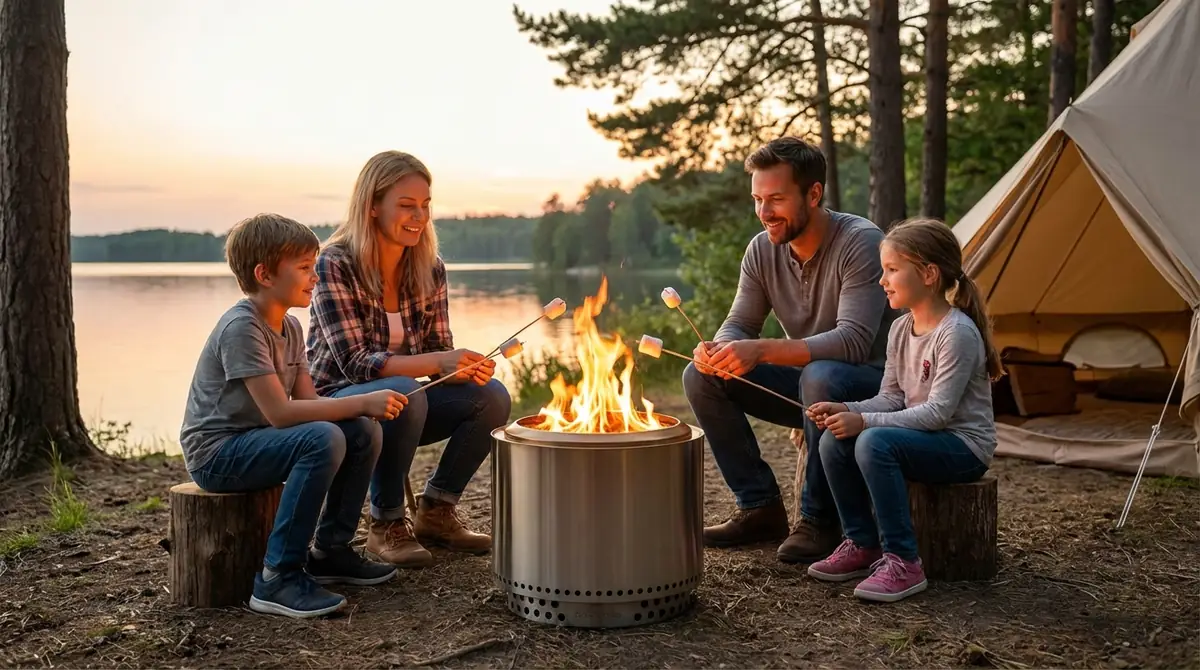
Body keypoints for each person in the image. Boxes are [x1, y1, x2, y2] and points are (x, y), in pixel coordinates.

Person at [180, 213, 407, 619]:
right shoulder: (241, 328)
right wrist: (361, 399)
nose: (315, 277)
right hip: (217, 456)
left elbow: (310, 401)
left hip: (257, 440)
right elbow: (283, 413)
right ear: (265, 274)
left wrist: (362, 412)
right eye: (304, 268)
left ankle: (331, 550)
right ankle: (277, 576)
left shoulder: (291, 328)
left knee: (359, 431)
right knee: (325, 437)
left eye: (314, 266)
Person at [683, 136, 898, 564]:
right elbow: (740, 323)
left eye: (776, 199)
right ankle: (759, 506)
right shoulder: (762, 250)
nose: (764, 213)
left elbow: (853, 341)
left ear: (813, 194)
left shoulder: (860, 242)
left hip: (871, 389)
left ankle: (819, 520)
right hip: (808, 388)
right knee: (701, 376)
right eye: (758, 199)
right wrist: (720, 349)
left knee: (822, 375)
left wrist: (761, 350)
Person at [307, 150, 511, 569]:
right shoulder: (334, 263)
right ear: (372, 206)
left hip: (403, 404)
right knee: (403, 391)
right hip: (341, 405)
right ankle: (386, 523)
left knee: (490, 395)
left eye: (425, 205)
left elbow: (437, 347)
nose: (419, 215)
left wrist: (463, 367)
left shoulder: (429, 267)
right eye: (406, 205)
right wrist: (440, 361)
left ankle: (436, 510)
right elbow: (355, 363)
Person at [804, 218, 1001, 603]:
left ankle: (904, 562)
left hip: (962, 447)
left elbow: (937, 414)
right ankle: (862, 544)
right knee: (834, 441)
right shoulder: (900, 329)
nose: (883, 280)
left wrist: (863, 421)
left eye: (892, 270)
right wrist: (845, 408)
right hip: (923, 437)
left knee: (873, 442)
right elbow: (891, 398)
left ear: (928, 274)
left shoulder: (956, 333)